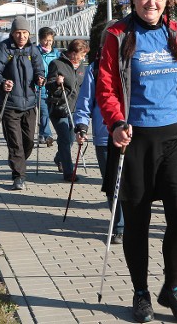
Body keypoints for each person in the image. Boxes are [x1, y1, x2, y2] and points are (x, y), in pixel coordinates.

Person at [96, 0, 177, 324]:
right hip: (135, 140)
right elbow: (107, 87)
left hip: (175, 139)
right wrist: (114, 123)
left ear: (167, 1)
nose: (151, 2)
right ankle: (141, 291)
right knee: (138, 224)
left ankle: (172, 288)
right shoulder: (117, 35)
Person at [0, 16, 45, 191]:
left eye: (25, 33)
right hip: (9, 103)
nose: (21, 36)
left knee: (28, 142)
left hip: (29, 103)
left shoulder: (32, 50)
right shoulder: (4, 49)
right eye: (18, 33)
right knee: (15, 142)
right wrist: (3, 82)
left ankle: (17, 162)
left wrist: (40, 78)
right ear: (12, 33)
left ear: (29, 34)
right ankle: (18, 176)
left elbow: (39, 69)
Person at [74, 47, 124, 244]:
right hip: (105, 135)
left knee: (133, 184)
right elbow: (85, 101)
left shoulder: (135, 64)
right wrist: (81, 126)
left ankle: (132, 223)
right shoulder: (95, 68)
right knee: (113, 184)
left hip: (135, 135)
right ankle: (119, 226)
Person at [46, 39, 89, 181]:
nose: (83, 58)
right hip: (59, 107)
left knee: (71, 139)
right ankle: (69, 172)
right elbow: (49, 84)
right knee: (64, 139)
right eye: (81, 54)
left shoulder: (82, 67)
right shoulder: (57, 64)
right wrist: (57, 83)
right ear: (72, 52)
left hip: (75, 108)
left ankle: (59, 158)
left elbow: (83, 87)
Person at [37, 27, 60, 147]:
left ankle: (42, 134)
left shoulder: (57, 54)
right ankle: (47, 135)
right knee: (44, 112)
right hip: (39, 88)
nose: (48, 43)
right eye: (45, 40)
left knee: (50, 112)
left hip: (53, 88)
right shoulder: (35, 52)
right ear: (40, 40)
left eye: (50, 40)